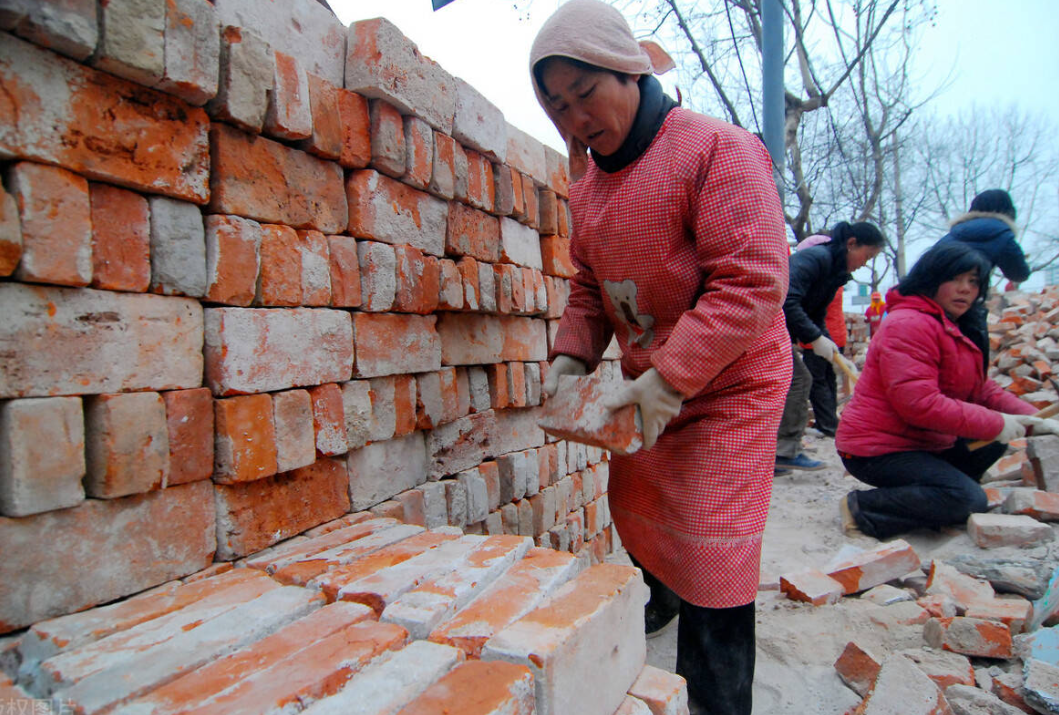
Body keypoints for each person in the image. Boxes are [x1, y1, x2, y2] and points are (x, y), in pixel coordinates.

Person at [530, 2, 791, 712]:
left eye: (586, 93)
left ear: (630, 72)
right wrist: (571, 359)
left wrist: (670, 379)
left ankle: (715, 695)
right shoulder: (588, 190)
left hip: (729, 381)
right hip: (651, 383)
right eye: (557, 104)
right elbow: (588, 286)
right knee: (640, 507)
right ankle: (660, 594)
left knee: (714, 545)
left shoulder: (714, 149)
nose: (576, 117)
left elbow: (752, 281)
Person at [835, 242, 1058, 539]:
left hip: (922, 441)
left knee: (993, 441)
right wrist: (999, 422)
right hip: (876, 449)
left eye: (973, 281)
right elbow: (920, 404)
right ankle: (862, 508)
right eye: (955, 278)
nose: (965, 289)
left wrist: (1035, 419)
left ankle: (935, 494)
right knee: (968, 499)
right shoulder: (908, 324)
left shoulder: (951, 326)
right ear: (932, 278)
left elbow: (982, 390)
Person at [776, 222, 885, 471]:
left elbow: (816, 314)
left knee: (796, 380)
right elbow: (787, 299)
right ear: (851, 243)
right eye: (866, 256)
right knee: (799, 380)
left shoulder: (833, 273)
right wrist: (815, 338)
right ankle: (782, 451)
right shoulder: (817, 260)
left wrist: (832, 350)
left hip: (779, 332)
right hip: (764, 328)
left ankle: (776, 450)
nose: (865, 263)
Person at [937, 189, 1030, 368]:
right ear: (1009, 213)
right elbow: (1019, 273)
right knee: (972, 359)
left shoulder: (952, 234)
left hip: (931, 304)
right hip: (965, 305)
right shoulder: (1002, 235)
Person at [795, 235, 847, 439]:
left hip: (819, 336)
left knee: (816, 381)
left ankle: (826, 424)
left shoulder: (823, 279)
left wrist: (813, 336)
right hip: (833, 334)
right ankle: (830, 422)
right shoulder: (835, 277)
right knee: (827, 379)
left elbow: (809, 309)